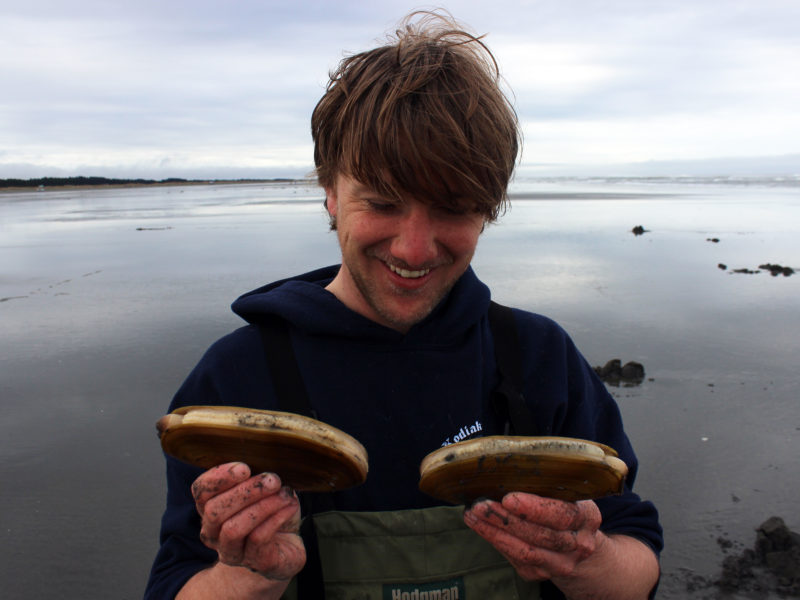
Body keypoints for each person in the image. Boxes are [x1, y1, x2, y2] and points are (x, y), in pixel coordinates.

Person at [145, 10, 662, 600]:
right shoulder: (237, 376)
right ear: (330, 192)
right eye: (383, 203)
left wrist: (586, 560)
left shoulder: (537, 356)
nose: (414, 249)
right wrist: (250, 570)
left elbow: (636, 560)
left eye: (453, 208)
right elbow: (175, 582)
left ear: (489, 210)